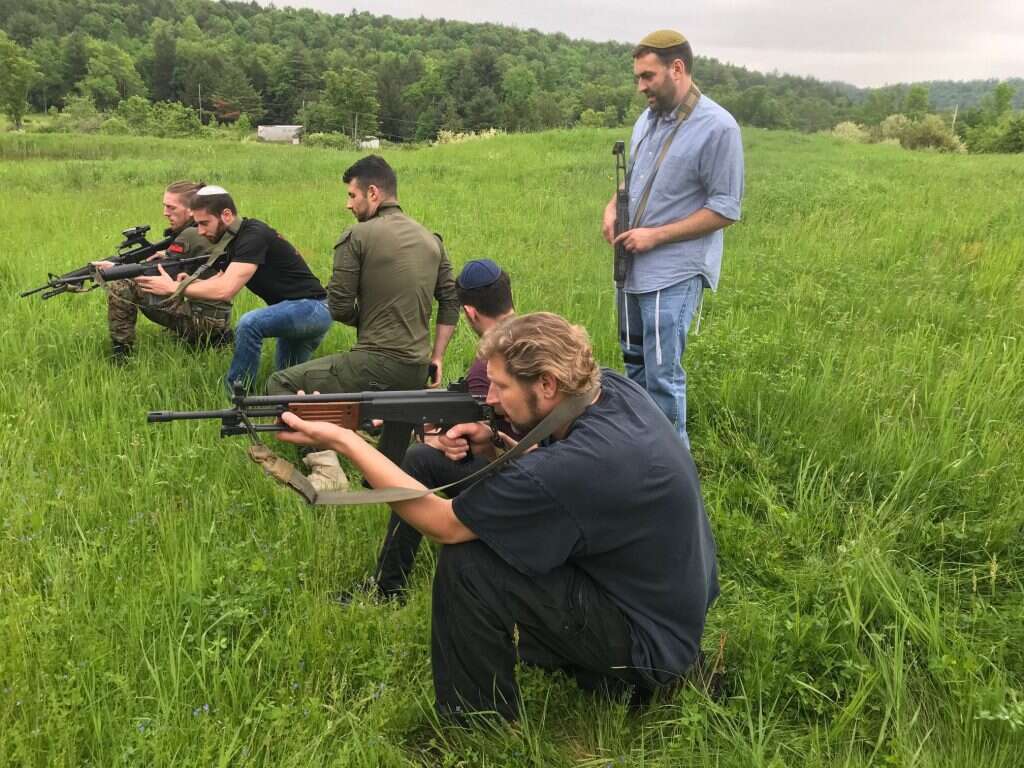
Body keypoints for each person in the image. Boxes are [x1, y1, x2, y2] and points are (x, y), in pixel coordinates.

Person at [276, 312, 720, 722]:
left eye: (500, 387)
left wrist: (344, 440)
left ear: (547, 384)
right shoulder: (609, 390)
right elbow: (559, 474)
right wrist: (492, 447)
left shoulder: (581, 464)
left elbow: (444, 524)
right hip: (660, 601)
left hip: (650, 644)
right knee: (430, 466)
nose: (489, 398)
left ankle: (478, 723)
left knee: (470, 563)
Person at [265, 155, 460, 489]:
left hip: (375, 362)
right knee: (398, 417)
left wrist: (368, 317)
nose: (348, 204)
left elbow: (338, 306)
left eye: (352, 195)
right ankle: (388, 476)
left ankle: (328, 470)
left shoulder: (357, 236)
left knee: (280, 383)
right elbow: (451, 301)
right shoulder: (432, 240)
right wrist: (436, 356)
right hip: (416, 366)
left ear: (373, 193)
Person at [602, 29, 744, 448]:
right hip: (630, 264)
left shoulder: (719, 128)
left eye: (648, 76)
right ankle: (641, 450)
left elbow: (725, 209)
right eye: (638, 78)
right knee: (633, 361)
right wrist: (611, 208)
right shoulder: (645, 121)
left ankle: (671, 467)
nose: (641, 86)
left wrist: (656, 236)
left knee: (662, 372)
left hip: (674, 270)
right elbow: (633, 179)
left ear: (677, 68)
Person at [365, 258, 516, 602]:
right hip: (538, 466)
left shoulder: (488, 364)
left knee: (418, 460)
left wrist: (435, 439)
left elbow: (473, 435)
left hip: (519, 477)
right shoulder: (534, 335)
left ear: (469, 313)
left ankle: (387, 587)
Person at [135, 185, 331, 392]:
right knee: (288, 386)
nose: (200, 231)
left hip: (313, 309)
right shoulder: (232, 239)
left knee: (249, 324)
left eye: (204, 223)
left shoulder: (252, 236)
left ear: (226, 215)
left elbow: (225, 291)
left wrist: (174, 288)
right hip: (296, 311)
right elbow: (221, 280)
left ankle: (238, 398)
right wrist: (191, 283)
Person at [102, 180, 232, 362]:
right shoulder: (208, 230)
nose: (165, 213)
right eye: (165, 207)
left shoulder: (190, 235)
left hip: (204, 322)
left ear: (191, 210)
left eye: (172, 208)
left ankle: (121, 355)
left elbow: (158, 273)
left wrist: (115, 269)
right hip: (220, 317)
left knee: (122, 285)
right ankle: (212, 339)